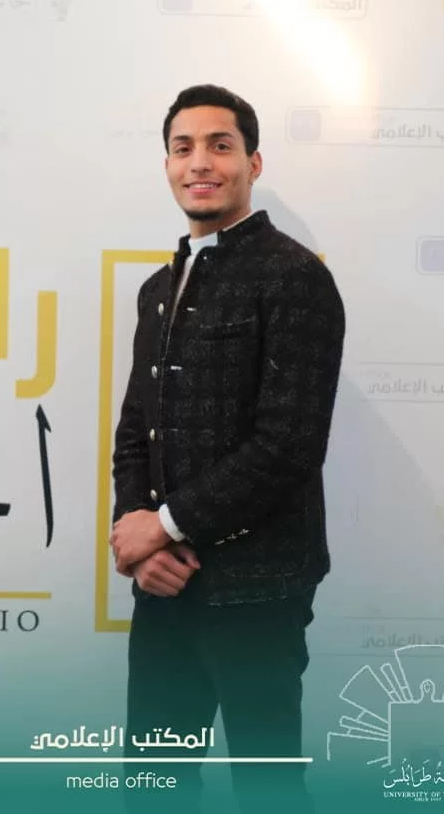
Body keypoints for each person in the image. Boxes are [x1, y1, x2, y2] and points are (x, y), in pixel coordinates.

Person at [109, 85, 345, 813]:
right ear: (167, 165)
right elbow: (136, 431)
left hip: (260, 592)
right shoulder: (157, 288)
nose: (200, 163)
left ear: (253, 162)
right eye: (183, 148)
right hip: (164, 589)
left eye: (220, 145)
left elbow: (288, 447)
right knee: (153, 787)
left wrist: (163, 526)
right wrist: (138, 539)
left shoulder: (294, 277)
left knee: (269, 791)